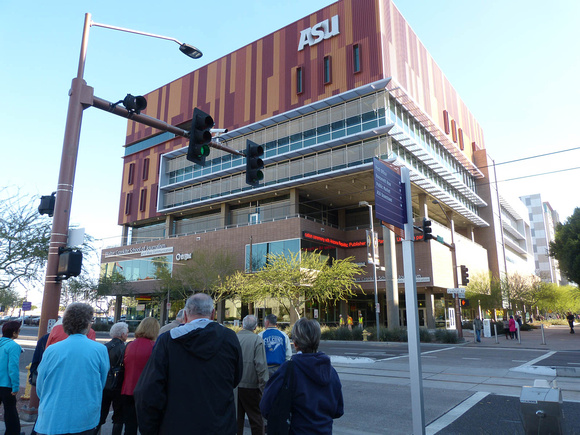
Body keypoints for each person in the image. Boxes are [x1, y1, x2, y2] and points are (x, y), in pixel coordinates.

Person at [134, 293, 243, 434]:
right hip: (219, 425)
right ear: (213, 314)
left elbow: (148, 391)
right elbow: (236, 377)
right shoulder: (229, 338)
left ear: (185, 314)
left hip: (176, 425)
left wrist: (150, 429)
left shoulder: (167, 341)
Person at [35, 303, 109, 435]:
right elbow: (100, 384)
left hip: (52, 417)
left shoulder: (51, 350)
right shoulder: (100, 350)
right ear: (87, 323)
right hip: (84, 417)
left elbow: (41, 386)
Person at [260, 317, 344, 434]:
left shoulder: (288, 370)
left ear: (295, 343)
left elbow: (266, 406)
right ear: (317, 341)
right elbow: (338, 410)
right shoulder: (330, 371)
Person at [121, 317, 159, 435]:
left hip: (128, 389)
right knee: (148, 427)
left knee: (129, 426)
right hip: (147, 391)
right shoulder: (155, 347)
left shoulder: (129, 345)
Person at [237, 315, 268, 435]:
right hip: (252, 386)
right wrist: (264, 388)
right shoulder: (257, 340)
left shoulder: (234, 338)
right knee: (256, 420)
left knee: (237, 420)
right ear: (255, 327)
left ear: (242, 325)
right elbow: (261, 366)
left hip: (235, 386)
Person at [96, 322, 129, 435]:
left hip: (105, 384)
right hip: (119, 385)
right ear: (123, 333)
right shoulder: (124, 348)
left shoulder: (104, 347)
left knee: (100, 415)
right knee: (118, 417)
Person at [0, 321, 23, 435]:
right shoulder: (13, 346)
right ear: (14, 333)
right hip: (6, 385)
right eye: (19, 331)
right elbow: (13, 368)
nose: (19, 332)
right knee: (10, 412)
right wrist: (15, 386)